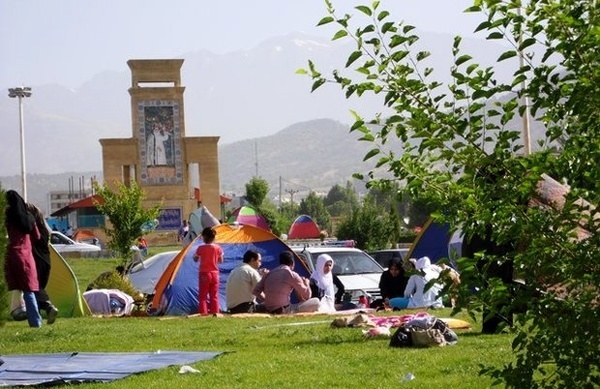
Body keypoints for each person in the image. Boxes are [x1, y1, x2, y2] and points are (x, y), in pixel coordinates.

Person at [4, 190, 42, 328]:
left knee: (14, 288)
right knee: (29, 290)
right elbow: (37, 237)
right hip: (25, 257)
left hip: (10, 255)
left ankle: (16, 311)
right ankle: (35, 322)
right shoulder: (29, 218)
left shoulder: (7, 218)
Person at [253, 251, 320, 314]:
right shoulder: (291, 274)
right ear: (292, 263)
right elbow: (307, 296)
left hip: (268, 308)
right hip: (284, 310)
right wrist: (306, 283)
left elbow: (255, 291)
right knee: (316, 301)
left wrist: (267, 300)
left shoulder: (269, 273)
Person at [27, 203, 59, 324]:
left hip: (36, 261)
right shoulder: (45, 230)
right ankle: (39, 316)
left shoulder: (32, 229)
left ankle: (48, 306)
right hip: (46, 262)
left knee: (34, 287)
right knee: (37, 288)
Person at [193, 227, 224, 315]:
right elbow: (221, 260)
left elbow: (195, 258)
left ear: (203, 237)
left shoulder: (200, 248)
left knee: (203, 295)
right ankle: (215, 312)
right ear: (214, 237)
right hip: (215, 274)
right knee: (214, 295)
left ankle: (203, 312)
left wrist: (197, 258)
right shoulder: (218, 248)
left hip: (204, 273)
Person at [226, 249, 265, 314]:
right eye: (259, 261)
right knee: (271, 307)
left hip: (231, 309)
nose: (260, 263)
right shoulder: (251, 271)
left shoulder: (234, 271)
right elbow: (259, 292)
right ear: (252, 260)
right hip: (246, 308)